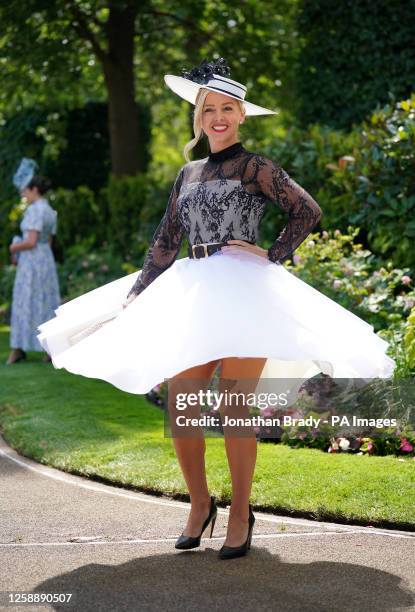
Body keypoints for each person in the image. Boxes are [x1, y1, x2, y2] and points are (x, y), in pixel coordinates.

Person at [36, 58, 396, 560]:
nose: (219, 117)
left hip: (246, 295)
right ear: (199, 118)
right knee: (182, 403)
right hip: (193, 291)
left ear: (242, 115)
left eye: (229, 109)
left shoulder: (256, 166)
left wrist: (269, 253)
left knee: (232, 406)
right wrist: (136, 296)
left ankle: (242, 513)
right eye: (211, 110)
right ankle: (200, 504)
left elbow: (306, 210)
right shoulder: (187, 173)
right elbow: (166, 241)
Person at [7, 175, 60, 365]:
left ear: (34, 190)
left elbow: (30, 241)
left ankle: (18, 348)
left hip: (32, 263)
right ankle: (49, 349)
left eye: (26, 190)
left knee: (25, 301)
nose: (24, 194)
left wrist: (13, 248)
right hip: (45, 260)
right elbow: (48, 241)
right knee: (45, 302)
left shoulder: (34, 210)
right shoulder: (50, 211)